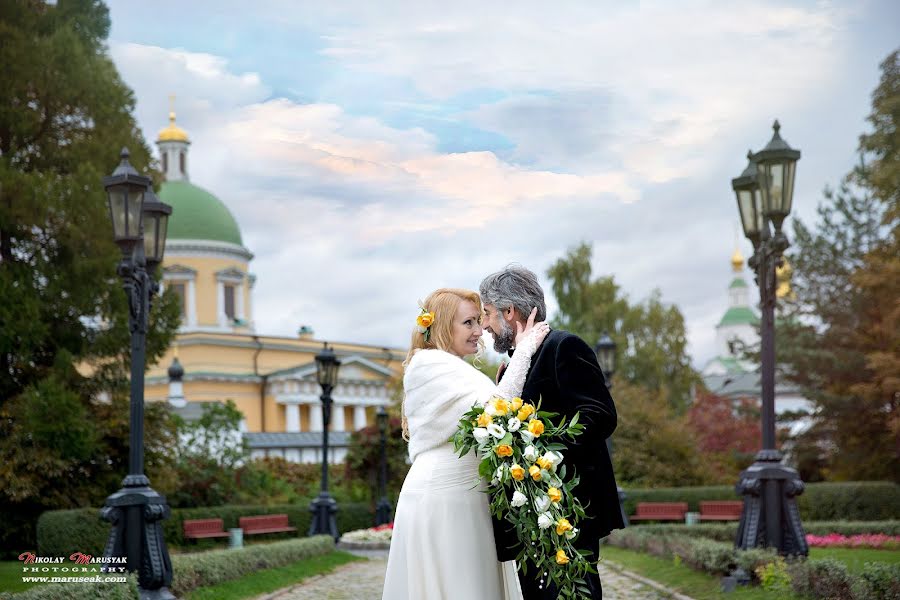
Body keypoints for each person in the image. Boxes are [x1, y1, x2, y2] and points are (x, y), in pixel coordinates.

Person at [382, 288, 549, 600]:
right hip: (444, 495)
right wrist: (524, 352)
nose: (478, 331)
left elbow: (479, 414)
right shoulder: (429, 365)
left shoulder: (450, 366)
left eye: (478, 321)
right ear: (445, 326)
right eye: (469, 323)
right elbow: (494, 411)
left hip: (465, 494)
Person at [480, 266, 624, 600]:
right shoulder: (512, 363)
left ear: (509, 311)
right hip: (531, 515)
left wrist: (540, 454)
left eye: (487, 314)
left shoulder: (563, 346)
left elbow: (601, 415)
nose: (485, 324)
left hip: (569, 510)